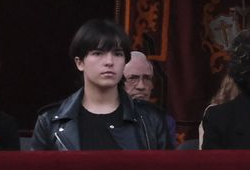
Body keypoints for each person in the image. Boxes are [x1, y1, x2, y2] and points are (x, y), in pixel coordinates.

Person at [31, 19, 174, 150]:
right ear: (80, 63)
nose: (109, 62)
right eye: (98, 53)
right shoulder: (51, 121)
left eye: (118, 54)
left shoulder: (150, 119)